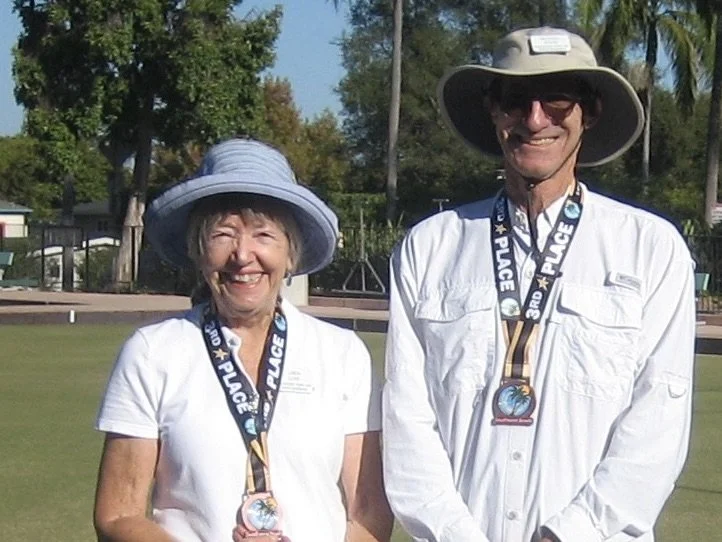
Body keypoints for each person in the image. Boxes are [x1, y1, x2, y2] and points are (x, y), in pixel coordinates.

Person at [382, 26, 695, 542]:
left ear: (588, 111)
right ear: (492, 108)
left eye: (557, 99)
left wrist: (567, 533)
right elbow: (406, 421)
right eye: (515, 99)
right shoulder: (430, 247)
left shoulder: (650, 249)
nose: (535, 118)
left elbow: (657, 424)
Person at [93, 138, 393, 542]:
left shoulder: (342, 354)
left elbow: (369, 512)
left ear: (291, 255)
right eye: (223, 234)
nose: (242, 255)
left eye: (263, 235)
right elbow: (118, 515)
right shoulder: (153, 352)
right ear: (199, 252)